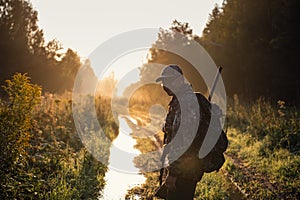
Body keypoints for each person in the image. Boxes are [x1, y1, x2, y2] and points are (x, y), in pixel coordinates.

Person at [156, 64, 204, 200]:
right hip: (182, 169)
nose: (165, 85)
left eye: (168, 80)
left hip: (184, 171)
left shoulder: (187, 102)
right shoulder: (178, 100)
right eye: (163, 81)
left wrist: (173, 174)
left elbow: (185, 142)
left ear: (179, 80)